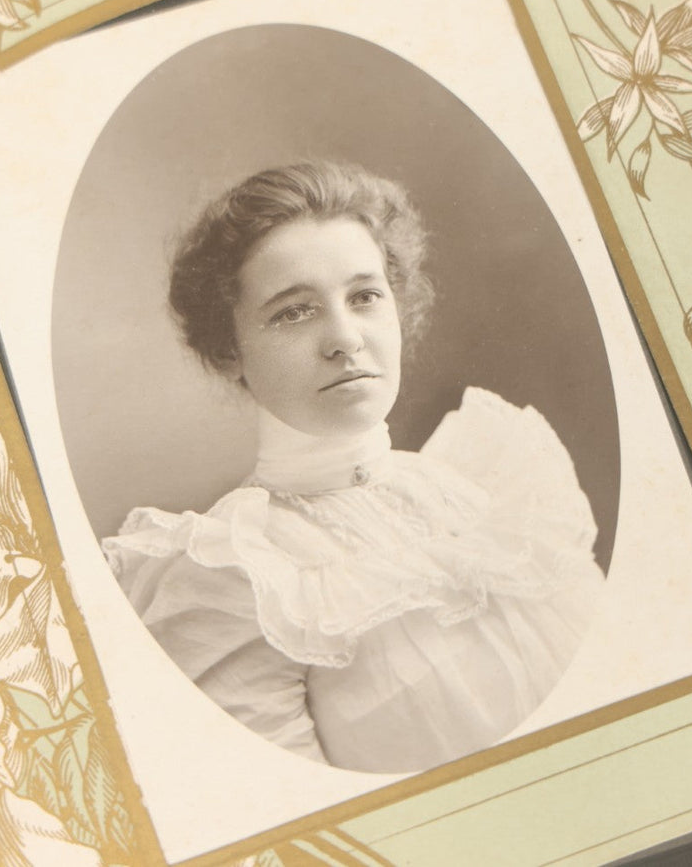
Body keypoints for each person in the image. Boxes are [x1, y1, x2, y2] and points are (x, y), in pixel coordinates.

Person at [101, 162, 604, 773]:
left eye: (364, 297)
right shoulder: (233, 572)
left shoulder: (485, 490)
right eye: (293, 312)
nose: (345, 338)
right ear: (229, 350)